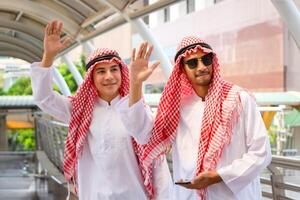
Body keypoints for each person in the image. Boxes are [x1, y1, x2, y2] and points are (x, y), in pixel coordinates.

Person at [30, 20, 171, 200]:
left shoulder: (135, 107)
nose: (109, 76)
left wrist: (136, 83)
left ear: (122, 73)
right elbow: (44, 98)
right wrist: (48, 56)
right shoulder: (80, 111)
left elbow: (147, 139)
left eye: (114, 69)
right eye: (101, 71)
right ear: (91, 78)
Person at [129, 36, 272, 199]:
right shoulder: (176, 107)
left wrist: (218, 176)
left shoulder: (239, 99)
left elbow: (262, 152)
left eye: (206, 59)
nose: (202, 67)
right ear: (181, 69)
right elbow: (143, 133)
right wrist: (135, 84)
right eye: (192, 63)